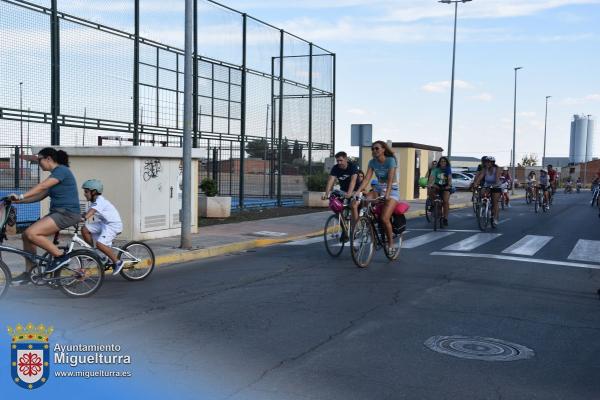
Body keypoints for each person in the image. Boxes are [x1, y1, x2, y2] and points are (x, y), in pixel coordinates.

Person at [8, 148, 81, 283]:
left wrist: (21, 195)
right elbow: (40, 196)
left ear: (48, 159)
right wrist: (17, 201)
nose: (38, 162)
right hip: (58, 213)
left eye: (39, 159)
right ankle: (30, 272)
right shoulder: (55, 175)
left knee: (32, 233)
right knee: (26, 236)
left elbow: (42, 186)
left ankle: (61, 257)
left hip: (67, 213)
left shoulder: (61, 171)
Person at [353, 141, 400, 255]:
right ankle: (366, 225)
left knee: (384, 218)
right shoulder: (372, 162)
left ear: (383, 149)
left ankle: (391, 244)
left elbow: (390, 179)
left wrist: (387, 194)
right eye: (373, 149)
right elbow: (366, 179)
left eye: (377, 148)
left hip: (391, 190)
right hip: (378, 188)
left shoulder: (390, 160)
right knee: (364, 201)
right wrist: (358, 192)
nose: (374, 151)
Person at [81, 179, 124, 275]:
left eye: (86, 192)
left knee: (100, 244)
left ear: (94, 192)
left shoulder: (100, 201)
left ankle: (118, 262)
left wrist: (83, 217)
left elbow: (90, 213)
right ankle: (97, 253)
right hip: (104, 224)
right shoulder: (94, 201)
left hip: (113, 226)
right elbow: (87, 213)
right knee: (85, 229)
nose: (84, 194)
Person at [473, 156, 502, 225]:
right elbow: (480, 177)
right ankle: (484, 205)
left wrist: (495, 185)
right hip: (487, 185)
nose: (487, 163)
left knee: (495, 202)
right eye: (486, 162)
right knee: (482, 194)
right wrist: (475, 184)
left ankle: (495, 217)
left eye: (489, 162)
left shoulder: (497, 169)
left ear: (492, 163)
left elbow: (497, 179)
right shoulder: (484, 169)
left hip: (496, 186)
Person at [427, 156, 453, 227]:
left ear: (446, 163)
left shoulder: (448, 169)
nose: (443, 163)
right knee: (430, 190)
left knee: (445, 201)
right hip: (437, 185)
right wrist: (430, 184)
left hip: (445, 185)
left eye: (444, 161)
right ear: (439, 163)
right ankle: (433, 204)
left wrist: (449, 185)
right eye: (441, 161)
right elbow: (431, 178)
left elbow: (450, 178)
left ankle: (445, 218)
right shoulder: (435, 170)